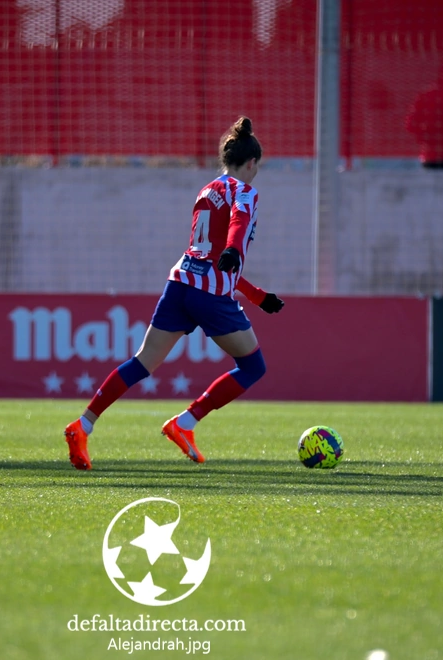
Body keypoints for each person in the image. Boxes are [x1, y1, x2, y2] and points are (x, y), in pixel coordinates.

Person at [63, 117, 285, 470]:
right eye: (257, 166)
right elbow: (239, 224)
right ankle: (186, 422)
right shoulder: (244, 191)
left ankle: (83, 424)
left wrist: (257, 296)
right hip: (209, 294)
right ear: (252, 162)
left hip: (180, 283)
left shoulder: (206, 191)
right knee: (252, 366)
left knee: (142, 362)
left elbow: (211, 255)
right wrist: (233, 247)